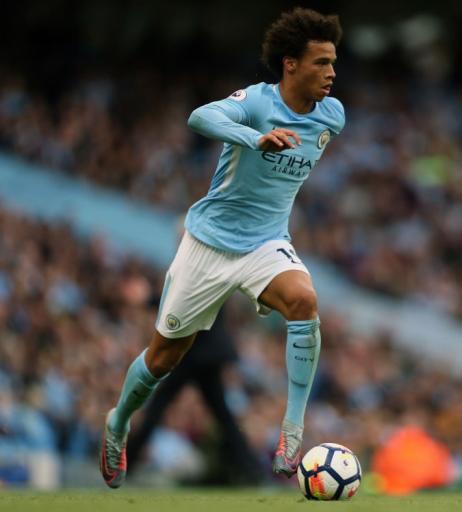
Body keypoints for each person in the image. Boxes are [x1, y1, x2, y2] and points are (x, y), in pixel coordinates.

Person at [100, 7, 344, 488]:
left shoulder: (332, 115)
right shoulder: (256, 102)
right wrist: (256, 139)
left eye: (334, 62)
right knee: (162, 359)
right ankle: (118, 423)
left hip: (267, 242)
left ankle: (292, 430)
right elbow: (199, 117)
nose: (332, 73)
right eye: (320, 62)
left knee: (304, 301)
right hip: (208, 244)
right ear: (290, 64)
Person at [125, 311, 264, 486]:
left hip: (192, 351)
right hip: (207, 351)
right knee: (222, 414)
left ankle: (129, 462)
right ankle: (250, 468)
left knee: (159, 405)